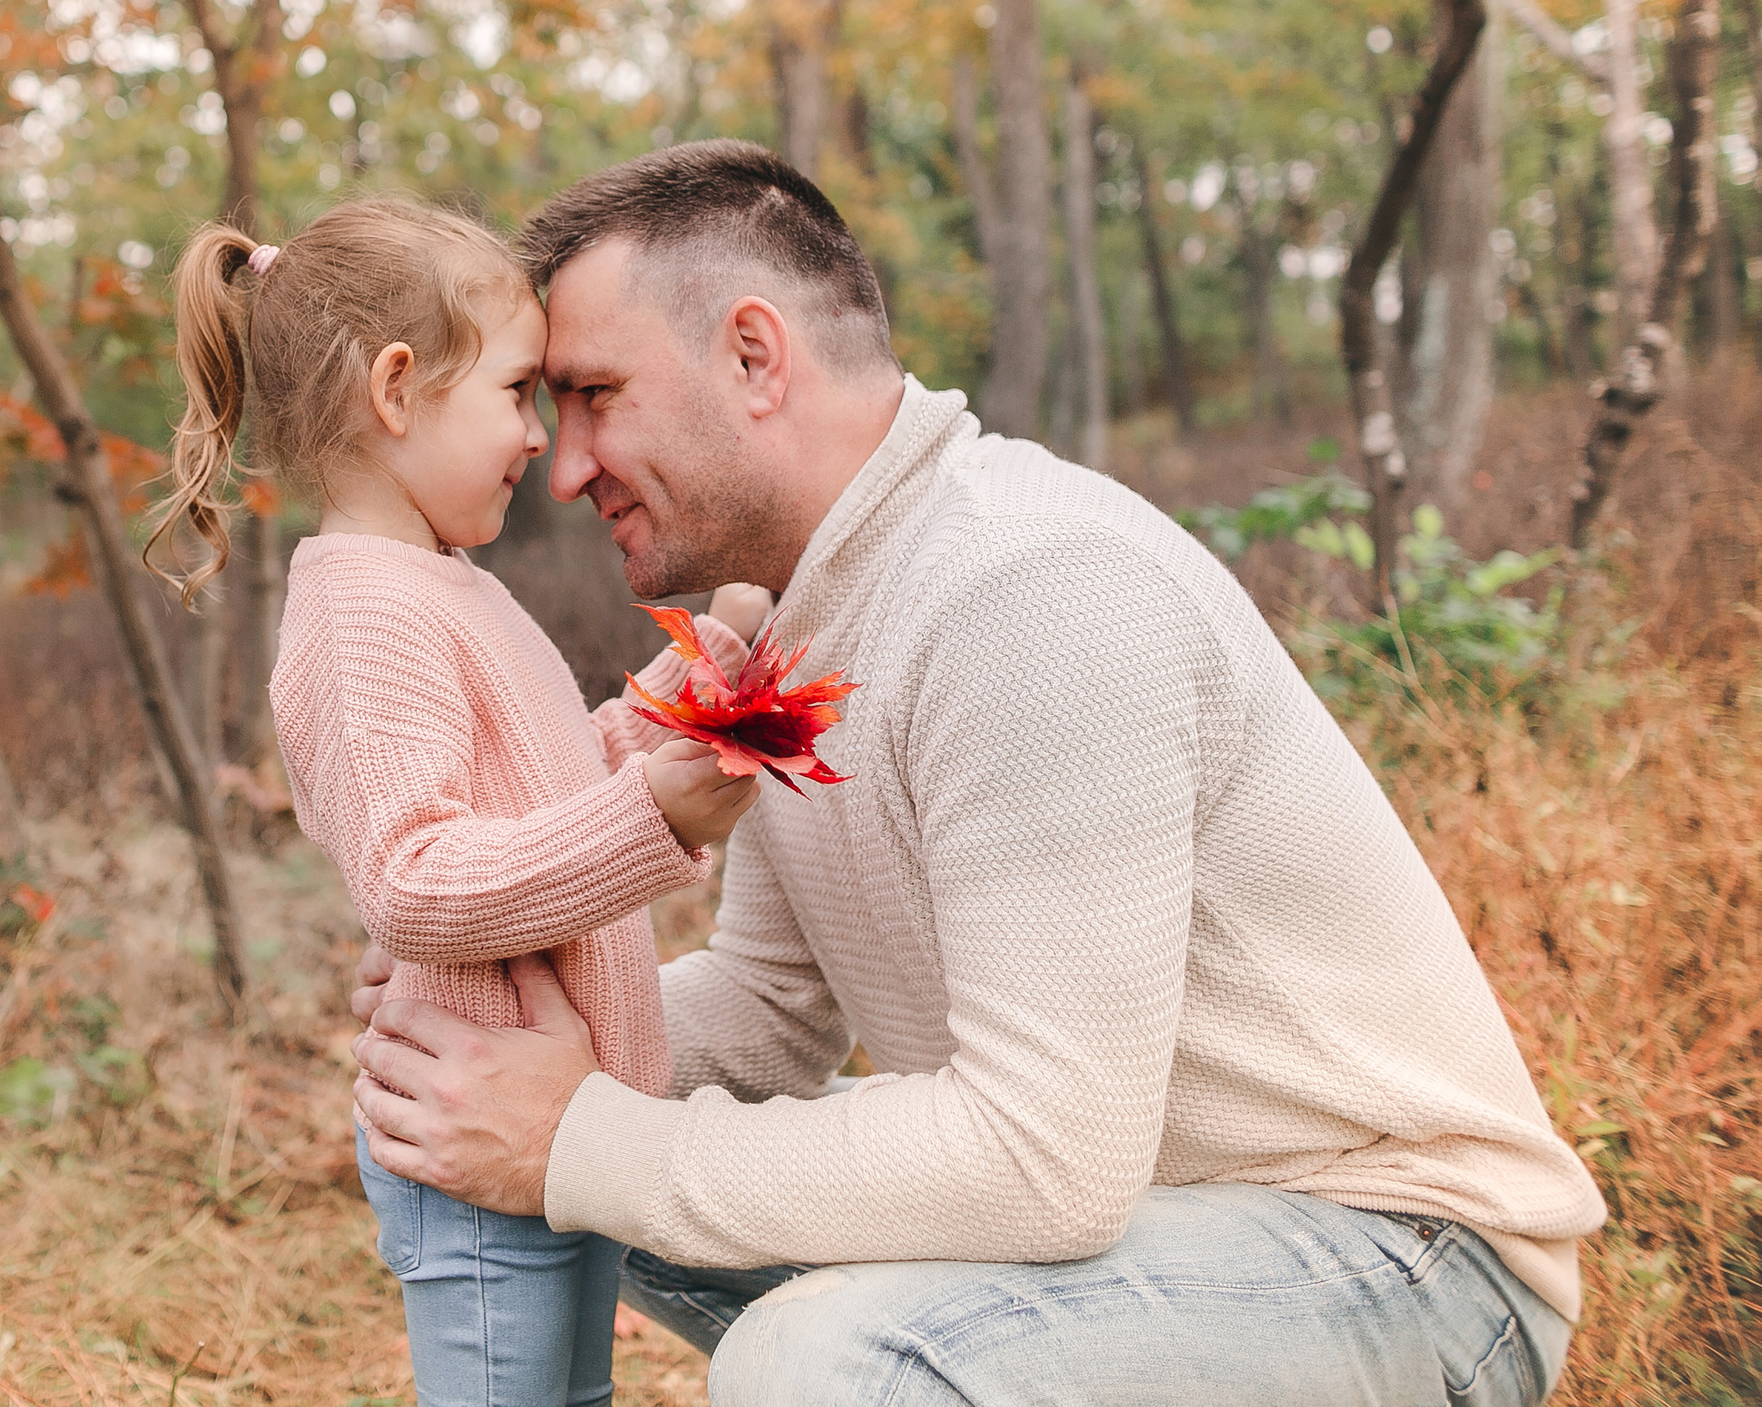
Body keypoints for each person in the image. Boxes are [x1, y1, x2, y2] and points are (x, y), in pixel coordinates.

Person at [346, 141, 1609, 1407]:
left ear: (752, 355)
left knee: (824, 1364)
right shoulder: (807, 612)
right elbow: (775, 1007)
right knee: (510, 1151)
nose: (562, 468)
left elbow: (1040, 1157)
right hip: (1135, 1223)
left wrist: (580, 1137)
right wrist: (500, 1037)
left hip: (1399, 1250)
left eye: (595, 395)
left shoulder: (1026, 591)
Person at [148, 195, 770, 1407]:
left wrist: (686, 697)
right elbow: (418, 880)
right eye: (516, 392)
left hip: (549, 1110)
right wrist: (659, 820)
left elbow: (548, 780)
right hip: (471, 1133)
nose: (542, 437)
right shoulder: (365, 612)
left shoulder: (442, 584)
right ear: (395, 390)